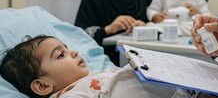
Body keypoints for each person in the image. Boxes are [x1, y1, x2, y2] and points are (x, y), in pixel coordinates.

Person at [0, 35, 206, 98]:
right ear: (43, 86)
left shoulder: (98, 73)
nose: (73, 52)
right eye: (61, 55)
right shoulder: (72, 95)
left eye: (68, 47)